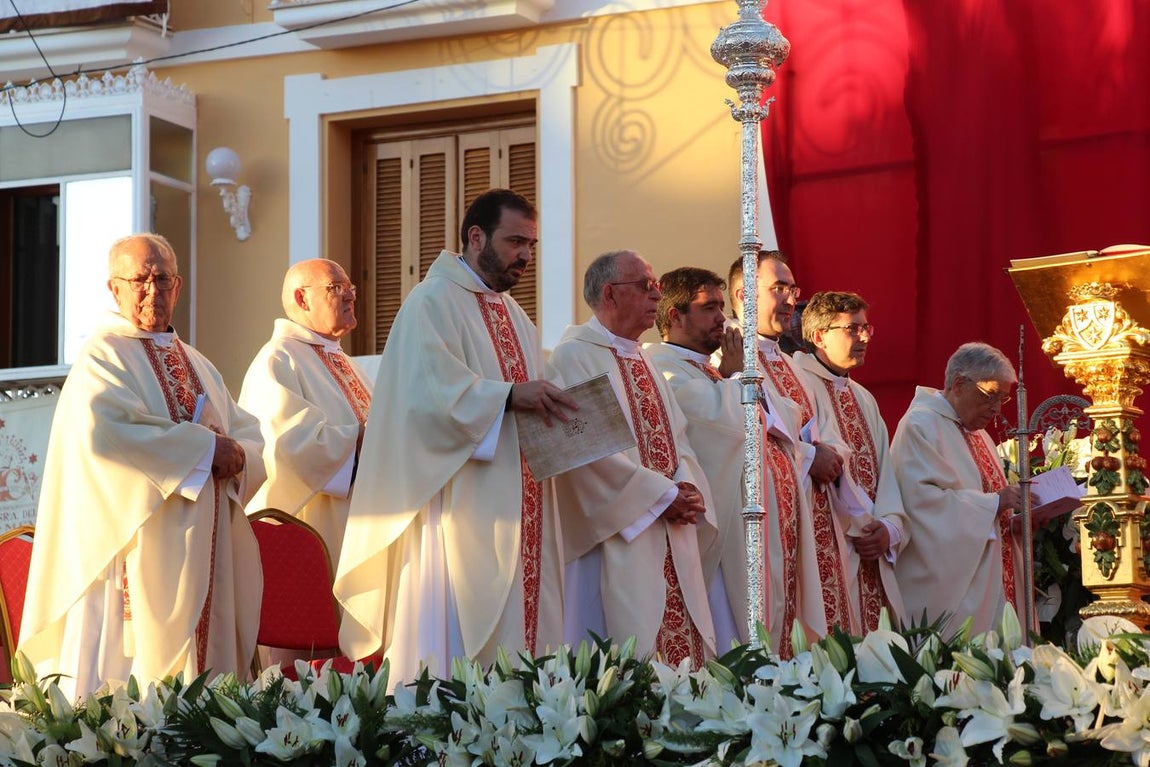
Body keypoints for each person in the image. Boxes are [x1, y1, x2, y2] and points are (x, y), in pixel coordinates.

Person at [333, 189, 575, 681]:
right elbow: (426, 396)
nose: (525, 255)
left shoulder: (516, 316)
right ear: (475, 237)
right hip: (458, 509)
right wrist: (508, 396)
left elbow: (529, 390)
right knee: (457, 646)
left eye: (530, 244)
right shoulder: (432, 302)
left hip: (521, 503)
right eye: (514, 242)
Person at [19, 233, 264, 699]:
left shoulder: (199, 364)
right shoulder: (103, 357)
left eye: (163, 279)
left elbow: (248, 435)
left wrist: (240, 456)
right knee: (133, 691)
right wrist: (204, 450)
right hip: (133, 549)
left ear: (179, 285)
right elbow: (110, 434)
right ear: (114, 288)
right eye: (140, 279)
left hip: (205, 550)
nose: (152, 289)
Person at [550, 251, 716, 667]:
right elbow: (586, 452)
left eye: (656, 284)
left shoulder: (645, 358)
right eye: (645, 286)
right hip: (617, 534)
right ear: (610, 293)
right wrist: (661, 495)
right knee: (622, 653)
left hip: (668, 525)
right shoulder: (574, 356)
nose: (656, 294)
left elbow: (678, 438)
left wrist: (688, 484)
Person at [647, 267, 819, 652]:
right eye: (709, 308)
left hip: (756, 532)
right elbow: (720, 428)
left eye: (722, 307)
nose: (722, 319)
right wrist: (735, 378)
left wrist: (728, 379)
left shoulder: (709, 371)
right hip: (720, 535)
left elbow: (785, 417)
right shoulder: (660, 367)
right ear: (675, 316)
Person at [724, 252, 850, 639]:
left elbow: (830, 434)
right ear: (745, 295)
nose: (791, 298)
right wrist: (810, 455)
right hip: (765, 527)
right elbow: (739, 435)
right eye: (778, 288)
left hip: (813, 520)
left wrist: (826, 453)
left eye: (792, 289)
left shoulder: (795, 365)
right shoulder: (728, 360)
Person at [240, 258, 371, 568]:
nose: (351, 295)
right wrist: (363, 438)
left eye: (350, 287)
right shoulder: (277, 360)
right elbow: (288, 447)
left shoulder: (350, 365)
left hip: (365, 519)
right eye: (336, 288)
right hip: (318, 530)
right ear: (302, 298)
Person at [792, 291, 907, 633]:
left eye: (866, 327)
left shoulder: (863, 397)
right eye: (852, 328)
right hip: (826, 549)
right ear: (818, 336)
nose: (865, 336)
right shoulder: (796, 385)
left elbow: (887, 476)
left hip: (871, 555)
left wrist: (888, 528)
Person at [890, 341, 1023, 634]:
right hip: (949, 594)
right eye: (991, 395)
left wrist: (1017, 521)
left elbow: (992, 508)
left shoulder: (979, 436)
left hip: (991, 581)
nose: (997, 409)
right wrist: (992, 505)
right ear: (960, 384)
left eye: (1003, 399)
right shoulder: (920, 425)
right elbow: (919, 506)